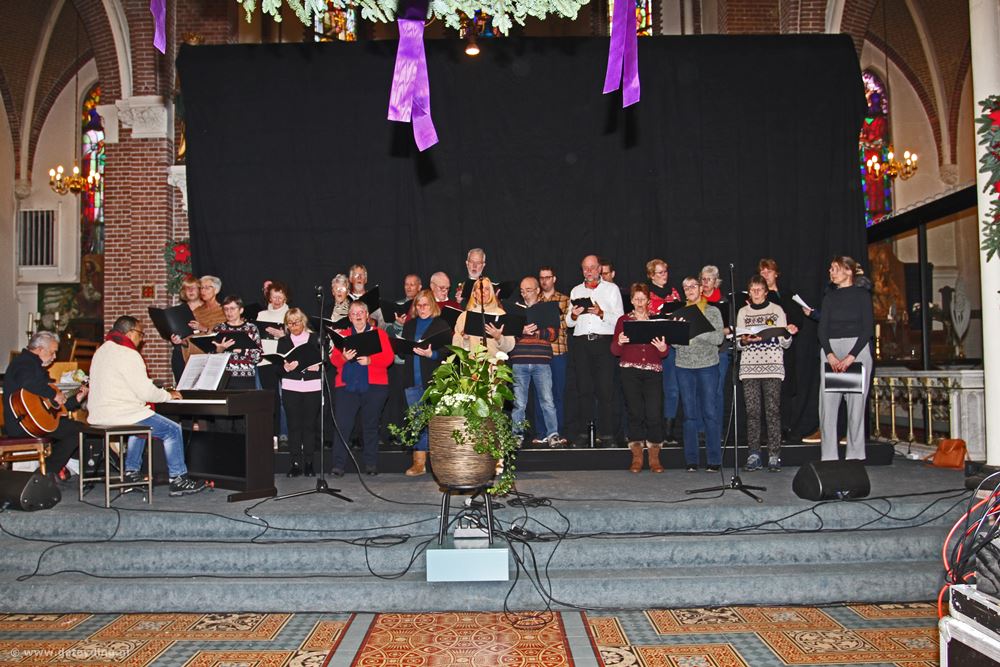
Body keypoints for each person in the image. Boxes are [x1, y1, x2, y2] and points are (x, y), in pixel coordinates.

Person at [87, 316, 206, 496]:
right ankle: (178, 479)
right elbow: (146, 393)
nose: (141, 339)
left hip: (99, 414)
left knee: (141, 421)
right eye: (141, 334)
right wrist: (168, 395)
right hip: (119, 414)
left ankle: (131, 473)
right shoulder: (128, 354)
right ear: (130, 333)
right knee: (172, 430)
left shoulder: (102, 350)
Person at [3, 331, 89, 482]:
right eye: (52, 352)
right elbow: (28, 382)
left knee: (76, 429)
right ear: (40, 349)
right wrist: (53, 393)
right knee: (77, 431)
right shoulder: (23, 363)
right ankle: (44, 474)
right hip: (22, 424)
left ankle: (51, 472)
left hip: (34, 422)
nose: (54, 357)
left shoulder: (35, 367)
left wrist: (76, 400)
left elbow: (50, 409)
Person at [736, 275, 797, 472]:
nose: (755, 293)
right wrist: (744, 340)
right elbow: (738, 343)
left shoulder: (776, 310)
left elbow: (785, 343)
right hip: (749, 368)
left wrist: (787, 333)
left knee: (772, 411)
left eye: (759, 289)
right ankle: (754, 454)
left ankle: (774, 455)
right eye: (752, 290)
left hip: (772, 365)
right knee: (752, 412)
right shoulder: (743, 312)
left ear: (765, 291)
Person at [329, 301, 395, 476]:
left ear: (367, 315)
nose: (357, 316)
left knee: (370, 425)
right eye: (354, 313)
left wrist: (370, 361)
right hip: (346, 386)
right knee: (343, 426)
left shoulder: (379, 334)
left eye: (361, 312)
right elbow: (334, 361)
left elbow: (389, 358)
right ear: (349, 317)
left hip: (375, 386)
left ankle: (371, 464)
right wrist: (343, 358)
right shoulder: (342, 336)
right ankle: (338, 465)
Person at [818, 256, 874, 461]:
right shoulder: (830, 297)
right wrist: (830, 355)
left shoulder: (862, 295)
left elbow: (868, 328)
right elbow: (822, 329)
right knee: (827, 409)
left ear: (848, 271)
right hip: (831, 350)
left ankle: (855, 457)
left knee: (856, 409)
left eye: (835, 268)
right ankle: (829, 458)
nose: (831, 272)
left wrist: (851, 356)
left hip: (856, 350)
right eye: (830, 268)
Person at [611, 284, 669, 473]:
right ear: (631, 301)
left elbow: (664, 352)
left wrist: (662, 348)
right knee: (635, 413)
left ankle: (654, 458)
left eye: (642, 299)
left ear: (648, 301)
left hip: (653, 372)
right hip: (630, 372)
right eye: (636, 299)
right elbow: (615, 350)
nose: (639, 303)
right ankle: (637, 457)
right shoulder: (623, 320)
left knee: (654, 413)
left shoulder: (657, 320)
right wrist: (619, 342)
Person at [566, 254, 624, 446]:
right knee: (584, 389)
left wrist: (602, 313)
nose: (589, 271)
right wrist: (574, 316)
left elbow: (620, 320)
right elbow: (568, 322)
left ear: (600, 269)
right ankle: (584, 433)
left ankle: (607, 434)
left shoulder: (611, 289)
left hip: (603, 342)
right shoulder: (576, 290)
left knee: (605, 390)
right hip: (581, 343)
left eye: (592, 267)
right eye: (585, 268)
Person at [675, 277, 725, 472]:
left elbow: (718, 338)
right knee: (689, 415)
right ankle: (691, 460)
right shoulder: (679, 313)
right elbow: (674, 343)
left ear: (701, 289)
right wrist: (680, 334)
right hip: (684, 366)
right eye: (686, 287)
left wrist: (696, 329)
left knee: (710, 413)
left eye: (693, 286)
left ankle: (714, 460)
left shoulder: (712, 311)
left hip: (708, 366)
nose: (689, 290)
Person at [400, 290, 451, 475]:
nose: (422, 309)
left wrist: (432, 354)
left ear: (432, 305)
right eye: (418, 305)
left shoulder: (441, 324)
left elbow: (448, 351)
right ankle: (419, 463)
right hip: (411, 379)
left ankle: (440, 463)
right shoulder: (410, 325)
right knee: (417, 422)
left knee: (436, 422)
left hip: (433, 380)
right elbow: (402, 352)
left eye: (425, 305)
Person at [510, 276, 565, 448]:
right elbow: (508, 335)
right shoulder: (514, 310)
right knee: (519, 403)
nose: (525, 294)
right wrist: (520, 330)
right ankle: (517, 435)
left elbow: (553, 334)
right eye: (522, 291)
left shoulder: (547, 309)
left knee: (547, 400)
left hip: (541, 360)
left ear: (537, 290)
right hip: (520, 360)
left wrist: (534, 333)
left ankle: (552, 434)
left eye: (529, 290)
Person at [757, 258, 805, 442]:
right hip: (764, 350)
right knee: (764, 389)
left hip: (784, 349)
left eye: (768, 271)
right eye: (762, 272)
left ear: (776, 273)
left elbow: (798, 320)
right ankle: (764, 430)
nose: (765, 275)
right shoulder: (758, 296)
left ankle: (784, 428)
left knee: (784, 389)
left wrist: (792, 326)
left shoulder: (787, 295)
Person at [277, 308, 322, 477]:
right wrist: (285, 367)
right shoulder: (283, 341)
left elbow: (326, 362)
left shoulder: (315, 338)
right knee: (294, 426)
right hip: (291, 387)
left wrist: (318, 367)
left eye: (296, 322)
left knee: (309, 426)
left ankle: (309, 463)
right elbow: (276, 367)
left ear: (303, 321)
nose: (293, 326)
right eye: (289, 323)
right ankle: (295, 463)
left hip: (312, 386)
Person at [646, 258, 682, 445]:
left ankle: (669, 431)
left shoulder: (674, 292)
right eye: (659, 272)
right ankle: (652, 429)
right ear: (651, 275)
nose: (664, 275)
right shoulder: (647, 293)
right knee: (652, 389)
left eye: (665, 271)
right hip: (651, 347)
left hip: (671, 346)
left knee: (672, 389)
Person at [255, 281, 290, 441]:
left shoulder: (290, 314)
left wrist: (284, 335)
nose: (277, 300)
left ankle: (284, 434)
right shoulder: (261, 315)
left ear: (285, 298)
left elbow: (301, 337)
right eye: (274, 297)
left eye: (280, 297)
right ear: (269, 298)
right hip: (265, 362)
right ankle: (272, 434)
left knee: (284, 400)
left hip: (284, 361)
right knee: (270, 399)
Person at [537, 266, 570, 435]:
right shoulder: (536, 300)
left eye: (547, 277)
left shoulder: (565, 299)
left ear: (554, 279)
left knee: (558, 393)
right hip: (540, 353)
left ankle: (557, 431)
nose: (544, 281)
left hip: (558, 352)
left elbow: (568, 324)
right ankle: (542, 432)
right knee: (540, 394)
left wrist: (553, 319)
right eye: (542, 278)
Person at [452, 277, 515, 358]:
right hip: (471, 363)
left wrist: (499, 337)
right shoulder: (464, 317)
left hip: (494, 363)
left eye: (487, 289)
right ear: (474, 293)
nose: (483, 291)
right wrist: (465, 339)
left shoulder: (500, 314)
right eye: (480, 288)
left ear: (491, 293)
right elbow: (456, 348)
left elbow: (510, 347)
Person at [212, 296, 263, 390]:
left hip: (246, 378)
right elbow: (211, 358)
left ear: (241, 310)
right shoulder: (219, 329)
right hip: (224, 378)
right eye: (226, 309)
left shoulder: (251, 328)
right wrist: (219, 350)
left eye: (232, 308)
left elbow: (259, 356)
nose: (229, 312)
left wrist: (241, 351)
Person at [170, 276, 202, 382]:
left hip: (201, 354)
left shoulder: (209, 309)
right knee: (182, 387)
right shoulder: (177, 311)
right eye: (187, 288)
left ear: (200, 290)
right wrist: (174, 339)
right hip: (180, 353)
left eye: (193, 287)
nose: (190, 290)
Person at [347, 263, 386, 328]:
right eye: (356, 275)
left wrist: (372, 322)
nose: (359, 277)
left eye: (362, 275)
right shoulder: (345, 299)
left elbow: (383, 324)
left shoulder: (374, 299)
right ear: (350, 279)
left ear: (365, 280)